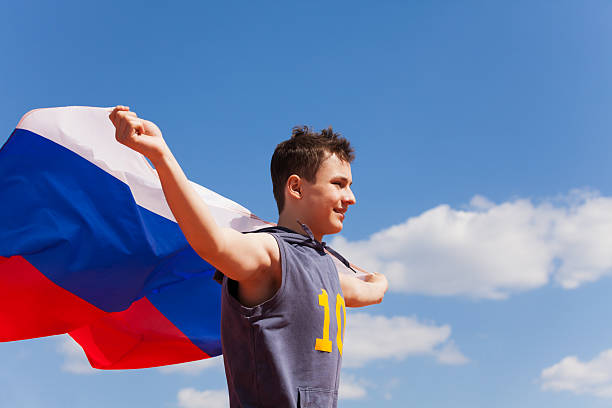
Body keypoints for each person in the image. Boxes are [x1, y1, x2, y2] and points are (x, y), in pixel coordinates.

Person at [109, 106, 388, 408]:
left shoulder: (328, 272)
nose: (351, 197)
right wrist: (161, 156)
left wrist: (379, 281)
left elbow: (368, 292)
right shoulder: (269, 253)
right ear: (295, 187)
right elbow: (211, 243)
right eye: (339, 184)